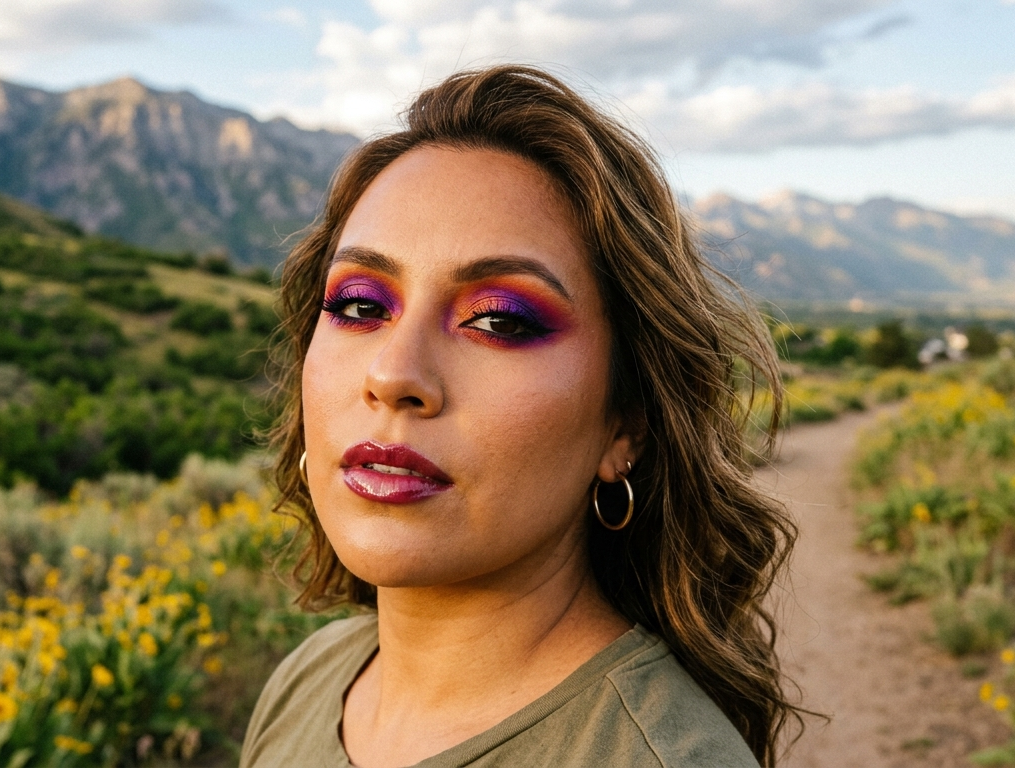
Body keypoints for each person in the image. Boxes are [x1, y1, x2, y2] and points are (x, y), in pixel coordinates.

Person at [241, 64, 808, 768]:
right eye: (359, 305)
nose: (392, 375)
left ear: (625, 424)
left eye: (500, 321)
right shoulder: (311, 678)